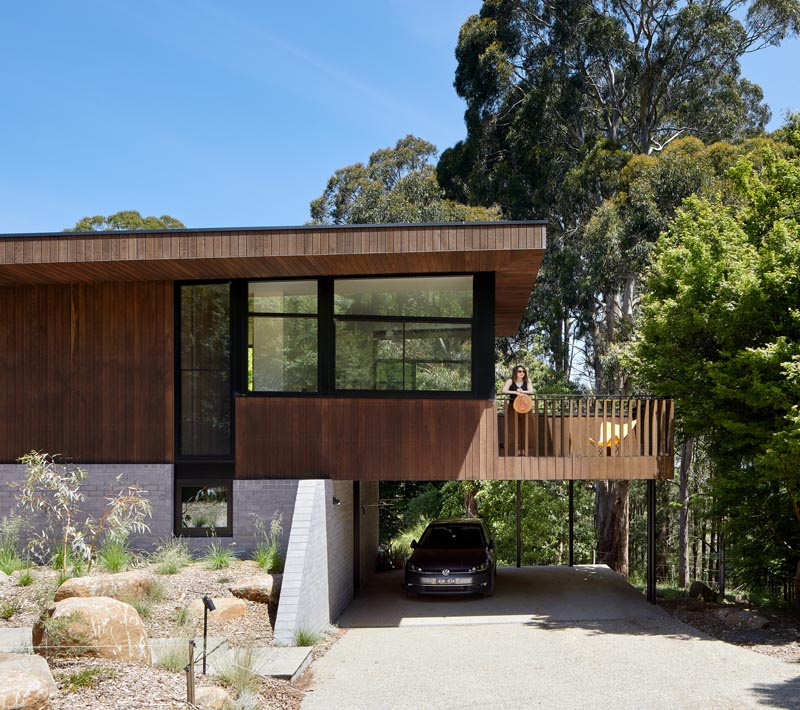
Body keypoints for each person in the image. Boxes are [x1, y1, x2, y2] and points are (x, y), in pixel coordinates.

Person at [502, 365, 533, 455]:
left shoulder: (527, 381)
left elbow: (531, 391)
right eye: (519, 371)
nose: (521, 373)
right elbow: (504, 390)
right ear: (515, 372)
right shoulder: (510, 381)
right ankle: (514, 449)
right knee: (512, 427)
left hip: (525, 407)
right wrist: (515, 392)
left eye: (523, 371)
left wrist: (522, 392)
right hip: (513, 406)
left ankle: (524, 449)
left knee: (527, 427)